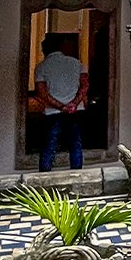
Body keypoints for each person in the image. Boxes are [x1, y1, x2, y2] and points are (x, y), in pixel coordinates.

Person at [34, 34, 88, 172]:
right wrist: (73, 104)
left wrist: (61, 106)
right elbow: (84, 86)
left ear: (45, 49)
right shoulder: (77, 63)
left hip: (53, 112)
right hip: (75, 111)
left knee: (50, 145)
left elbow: (42, 93)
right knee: (75, 144)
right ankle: (77, 174)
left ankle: (44, 177)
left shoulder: (42, 67)